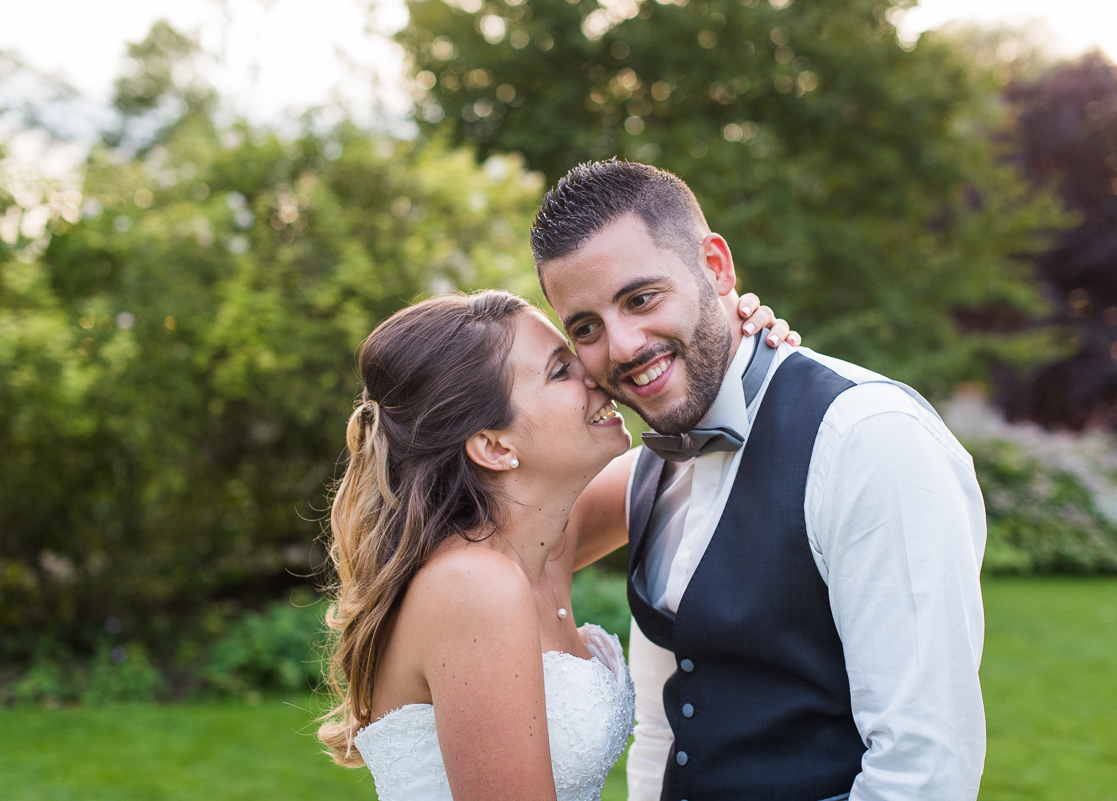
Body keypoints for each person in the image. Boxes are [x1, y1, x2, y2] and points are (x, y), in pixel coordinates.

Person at [534, 160, 988, 801]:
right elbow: (666, 723)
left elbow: (926, 767)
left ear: (716, 267)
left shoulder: (869, 438)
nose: (624, 345)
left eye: (641, 298)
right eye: (586, 327)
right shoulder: (644, 471)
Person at [317, 289, 794, 801]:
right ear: (495, 446)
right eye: (560, 371)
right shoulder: (474, 586)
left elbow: (704, 444)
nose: (598, 370)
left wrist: (732, 343)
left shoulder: (544, 540)